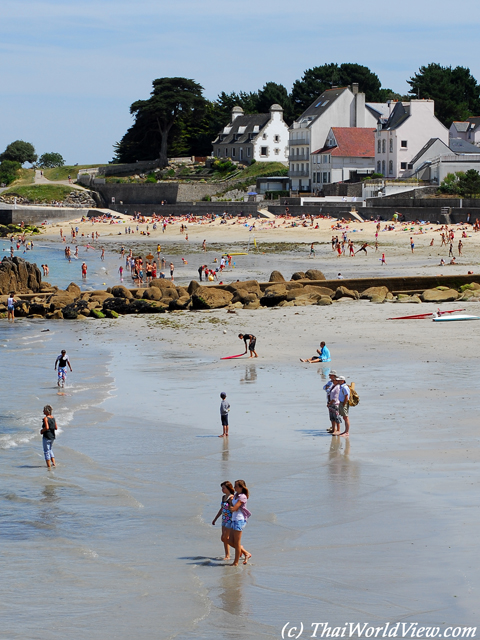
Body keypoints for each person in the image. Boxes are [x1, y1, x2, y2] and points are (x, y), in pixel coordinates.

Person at [228, 480, 252, 566]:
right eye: (234, 486)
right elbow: (232, 506)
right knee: (229, 540)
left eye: (236, 486)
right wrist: (231, 502)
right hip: (233, 519)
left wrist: (231, 507)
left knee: (237, 543)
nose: (234, 488)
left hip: (239, 520)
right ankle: (245, 553)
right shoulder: (236, 495)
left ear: (241, 487)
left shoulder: (242, 496)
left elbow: (234, 508)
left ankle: (236, 562)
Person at [212, 481, 235, 560]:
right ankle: (227, 555)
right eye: (222, 488)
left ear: (228, 488)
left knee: (225, 537)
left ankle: (240, 549)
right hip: (224, 520)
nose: (222, 489)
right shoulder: (223, 497)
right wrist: (215, 518)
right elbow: (222, 509)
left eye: (223, 488)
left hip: (230, 520)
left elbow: (234, 509)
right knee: (224, 538)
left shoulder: (232, 497)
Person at [40, 405, 57, 469]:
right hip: (52, 436)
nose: (43, 411)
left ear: (47, 411)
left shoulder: (46, 418)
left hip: (47, 436)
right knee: (50, 450)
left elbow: (47, 427)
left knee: (46, 451)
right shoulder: (53, 418)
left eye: (44, 410)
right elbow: (56, 427)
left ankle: (49, 466)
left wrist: (42, 431)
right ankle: (54, 463)